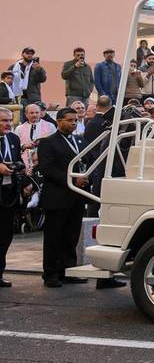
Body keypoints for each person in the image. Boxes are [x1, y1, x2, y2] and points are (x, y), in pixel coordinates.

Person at [37, 107, 90, 288]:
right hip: (57, 197)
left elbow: (87, 161)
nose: (73, 124)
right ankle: (51, 273)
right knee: (54, 237)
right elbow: (47, 168)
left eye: (75, 121)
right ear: (59, 121)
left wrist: (86, 177)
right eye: (69, 120)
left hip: (76, 197)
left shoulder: (80, 140)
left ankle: (68, 270)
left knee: (71, 236)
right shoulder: (48, 142)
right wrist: (72, 179)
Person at [0, 108, 21, 288]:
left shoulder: (13, 138)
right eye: (3, 120)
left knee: (5, 235)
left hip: (8, 195)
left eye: (9, 120)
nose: (8, 124)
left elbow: (18, 159)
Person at [14, 103, 54, 171]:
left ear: (40, 113)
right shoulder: (19, 128)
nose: (34, 115)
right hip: (25, 163)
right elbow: (14, 145)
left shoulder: (50, 126)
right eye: (31, 113)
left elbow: (55, 143)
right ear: (26, 114)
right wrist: (24, 146)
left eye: (37, 112)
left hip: (45, 161)